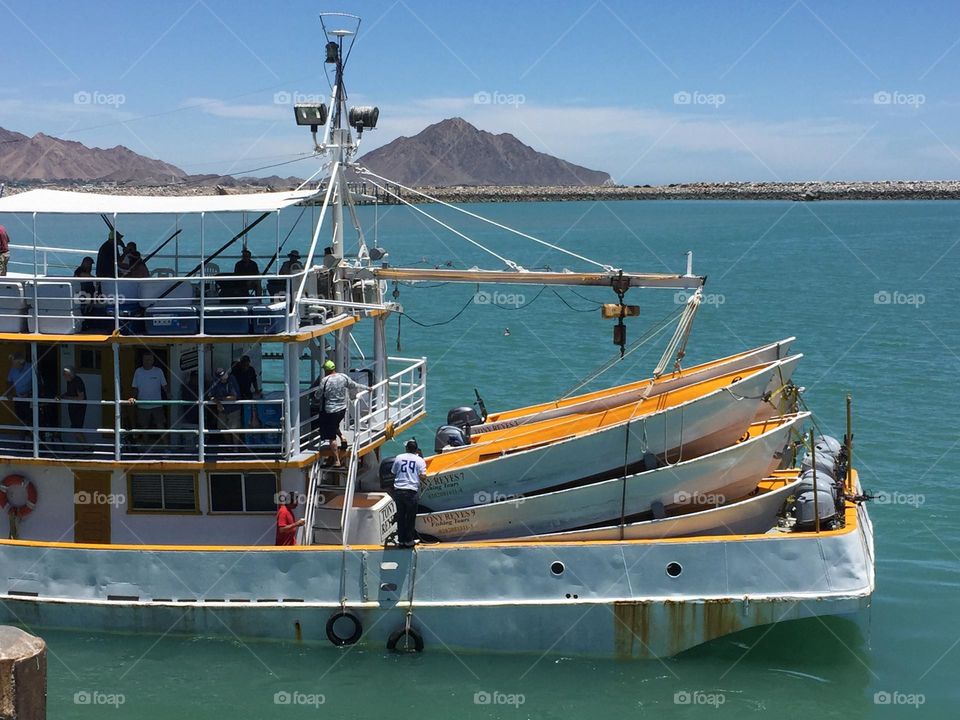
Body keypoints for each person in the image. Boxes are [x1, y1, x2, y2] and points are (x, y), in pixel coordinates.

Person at [312, 360, 369, 467]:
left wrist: (315, 396)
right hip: (342, 410)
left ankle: (337, 460)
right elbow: (354, 385)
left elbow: (318, 395)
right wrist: (367, 388)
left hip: (330, 411)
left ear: (326, 370)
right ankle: (342, 438)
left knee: (331, 437)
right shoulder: (343, 377)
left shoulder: (325, 380)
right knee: (334, 426)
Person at [391, 439, 427, 548]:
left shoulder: (399, 457)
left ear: (406, 448)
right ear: (416, 450)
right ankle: (409, 541)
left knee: (401, 516)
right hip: (411, 492)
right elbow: (423, 477)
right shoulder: (420, 460)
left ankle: (401, 540)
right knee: (410, 518)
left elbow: (393, 472)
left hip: (398, 491)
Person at [127, 352, 167, 447]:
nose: (147, 362)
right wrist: (133, 397)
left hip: (157, 405)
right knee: (144, 429)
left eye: (149, 359)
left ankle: (167, 447)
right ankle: (146, 449)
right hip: (142, 405)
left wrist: (169, 395)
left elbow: (165, 386)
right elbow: (135, 388)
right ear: (142, 360)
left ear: (153, 360)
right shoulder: (138, 372)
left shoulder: (158, 371)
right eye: (145, 359)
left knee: (160, 427)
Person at [206, 368, 241, 446]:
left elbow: (234, 397)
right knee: (222, 429)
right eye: (222, 378)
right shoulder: (215, 382)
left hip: (234, 409)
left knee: (235, 430)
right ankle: (229, 447)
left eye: (225, 376)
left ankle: (236, 449)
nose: (224, 378)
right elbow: (210, 396)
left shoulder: (232, 379)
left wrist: (220, 398)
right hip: (222, 410)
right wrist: (218, 403)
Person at [4, 352, 33, 440]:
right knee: (21, 420)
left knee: (32, 420)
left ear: (20, 362)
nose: (12, 364)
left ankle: (34, 443)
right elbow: (9, 381)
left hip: (31, 399)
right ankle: (22, 442)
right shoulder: (13, 369)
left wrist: (30, 393)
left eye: (14, 362)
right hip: (18, 398)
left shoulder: (31, 367)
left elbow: (38, 383)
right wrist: (9, 392)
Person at [57, 366, 87, 444]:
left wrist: (66, 398)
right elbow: (70, 393)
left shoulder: (77, 381)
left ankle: (87, 448)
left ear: (70, 374)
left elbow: (81, 397)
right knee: (75, 429)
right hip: (73, 407)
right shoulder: (70, 381)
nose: (63, 376)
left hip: (79, 408)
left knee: (77, 429)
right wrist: (61, 396)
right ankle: (84, 448)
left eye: (65, 374)